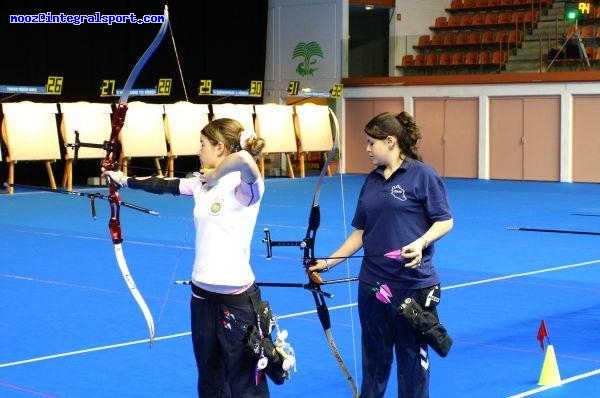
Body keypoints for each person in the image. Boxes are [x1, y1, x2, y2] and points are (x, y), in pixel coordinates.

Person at [103, 118, 280, 397]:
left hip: (236, 299)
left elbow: (246, 158)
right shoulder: (200, 185)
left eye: (203, 145)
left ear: (220, 148)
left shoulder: (245, 190)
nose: (198, 151)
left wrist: (217, 173)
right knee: (209, 376)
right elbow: (163, 184)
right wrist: (123, 180)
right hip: (201, 297)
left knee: (245, 379)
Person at [308, 111, 453, 398]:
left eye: (371, 143)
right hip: (373, 285)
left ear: (390, 141)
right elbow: (361, 232)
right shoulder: (372, 181)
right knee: (374, 360)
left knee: (412, 364)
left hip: (411, 286)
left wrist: (422, 242)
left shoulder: (423, 175)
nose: (367, 149)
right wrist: (327, 263)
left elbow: (445, 220)